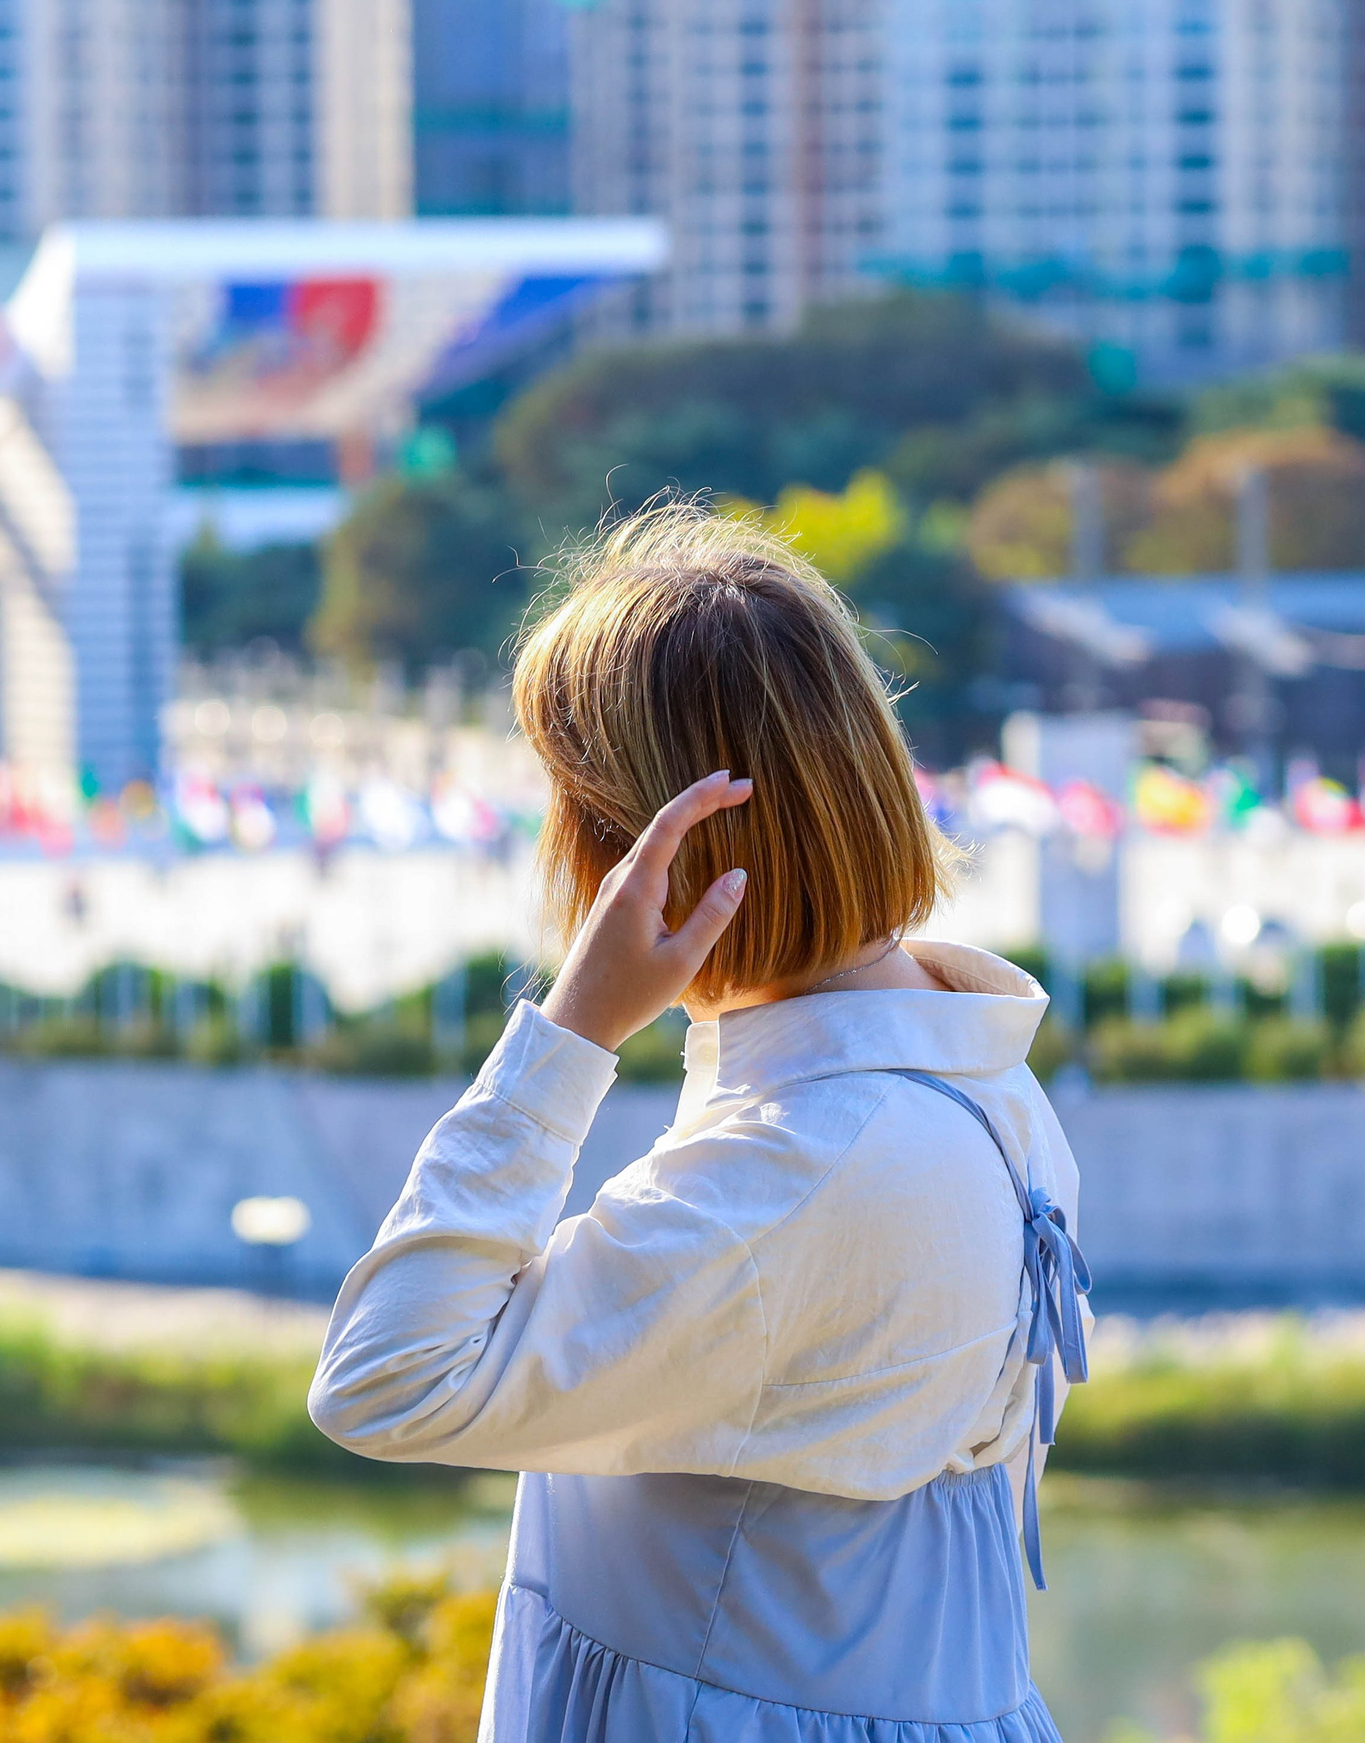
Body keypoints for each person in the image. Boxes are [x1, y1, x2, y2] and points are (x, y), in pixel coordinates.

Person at [309, 502, 1088, 1742]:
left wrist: (571, 1032)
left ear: (636, 850)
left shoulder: (811, 1161)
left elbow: (389, 1377)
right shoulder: (971, 1069)